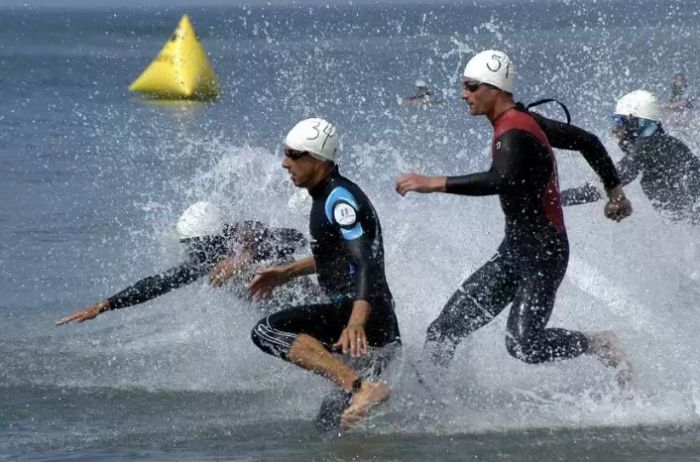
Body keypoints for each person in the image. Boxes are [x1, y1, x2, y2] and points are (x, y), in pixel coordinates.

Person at [395, 50, 633, 385]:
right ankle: (431, 405)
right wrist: (615, 192)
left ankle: (599, 343)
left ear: (495, 89)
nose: (464, 95)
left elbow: (500, 179)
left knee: (524, 344)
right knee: (443, 330)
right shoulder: (524, 121)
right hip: (514, 251)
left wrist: (434, 182)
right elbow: (588, 141)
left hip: (544, 254)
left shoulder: (515, 132)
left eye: (471, 87)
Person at [248, 118, 401, 431]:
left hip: (363, 319)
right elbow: (337, 255)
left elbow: (365, 263)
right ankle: (361, 391)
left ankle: (361, 387)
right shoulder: (326, 195)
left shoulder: (339, 200)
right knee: (330, 427)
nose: (284, 162)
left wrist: (356, 322)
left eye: (293, 154)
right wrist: (287, 272)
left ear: (317, 159)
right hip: (372, 322)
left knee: (267, 331)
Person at [55, 201, 313, 325]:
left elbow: (294, 237)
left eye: (199, 244)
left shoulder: (243, 233)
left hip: (307, 297)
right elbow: (160, 283)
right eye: (191, 246)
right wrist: (106, 305)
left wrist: (242, 258)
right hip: (280, 313)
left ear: (215, 235)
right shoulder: (205, 259)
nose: (195, 252)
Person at [562, 90, 700, 224]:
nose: (614, 130)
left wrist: (555, 198)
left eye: (618, 122)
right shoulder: (665, 143)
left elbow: (609, 183)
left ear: (636, 122)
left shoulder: (647, 147)